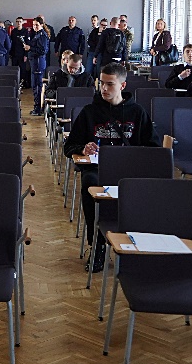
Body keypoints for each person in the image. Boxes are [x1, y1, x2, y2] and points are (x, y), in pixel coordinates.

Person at [63, 63, 159, 271]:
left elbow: (154, 149)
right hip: (98, 170)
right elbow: (68, 147)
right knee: (89, 183)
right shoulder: (89, 112)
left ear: (122, 85)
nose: (104, 88)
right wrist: (83, 148)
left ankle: (139, 241)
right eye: (102, 84)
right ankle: (97, 245)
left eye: (110, 84)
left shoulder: (138, 113)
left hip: (129, 171)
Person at [26, 17, 49, 115]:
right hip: (34, 62)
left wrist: (30, 48)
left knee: (37, 86)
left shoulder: (42, 35)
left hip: (38, 62)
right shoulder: (36, 34)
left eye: (37, 25)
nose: (34, 26)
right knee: (35, 85)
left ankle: (38, 108)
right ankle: (37, 107)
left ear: (41, 25)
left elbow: (43, 50)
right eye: (33, 25)